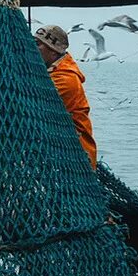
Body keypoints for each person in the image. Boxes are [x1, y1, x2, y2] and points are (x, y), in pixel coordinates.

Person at [34, 24, 98, 169]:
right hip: (59, 150)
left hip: (77, 156)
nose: (33, 49)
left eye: (38, 44)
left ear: (53, 51)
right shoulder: (50, 71)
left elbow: (34, 103)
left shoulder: (66, 79)